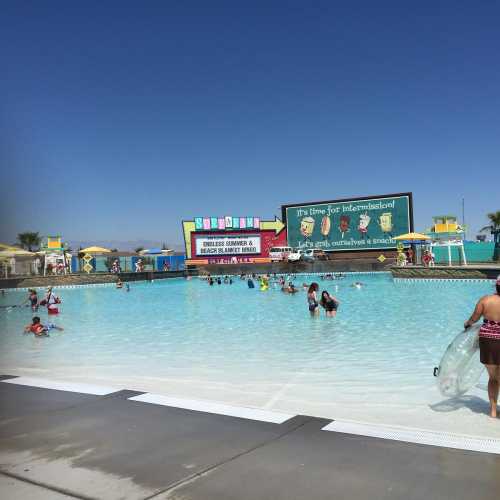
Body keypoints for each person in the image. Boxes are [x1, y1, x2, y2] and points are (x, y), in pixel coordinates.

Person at [464, 276, 500, 418]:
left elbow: (474, 318)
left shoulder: (485, 300)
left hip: (487, 341)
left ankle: (492, 411)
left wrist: (467, 324)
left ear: (496, 286)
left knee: (493, 378)